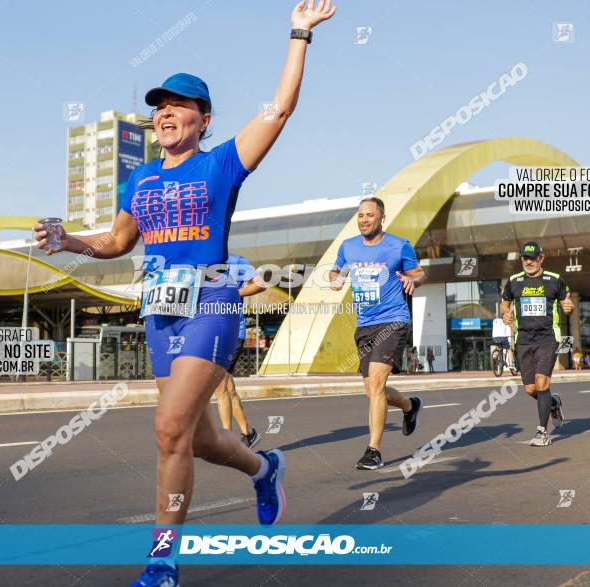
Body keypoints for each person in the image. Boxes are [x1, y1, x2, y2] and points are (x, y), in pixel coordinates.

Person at [36, 3, 337, 584]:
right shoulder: (140, 178)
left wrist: (298, 35)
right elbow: (120, 241)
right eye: (158, 107)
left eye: (178, 105)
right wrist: (70, 238)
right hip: (160, 313)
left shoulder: (223, 163)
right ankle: (264, 468)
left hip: (213, 301)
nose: (165, 113)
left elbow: (279, 109)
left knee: (168, 427)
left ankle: (163, 559)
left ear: (202, 119)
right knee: (196, 439)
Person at [330, 197, 426, 470]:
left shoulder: (398, 246)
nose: (364, 220)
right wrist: (335, 279)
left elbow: (420, 273)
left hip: (394, 320)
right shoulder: (348, 247)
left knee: (376, 385)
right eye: (360, 215)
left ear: (382, 217)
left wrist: (412, 279)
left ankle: (373, 450)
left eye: (369, 215)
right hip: (365, 324)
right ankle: (409, 406)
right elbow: (336, 270)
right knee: (372, 390)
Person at [500, 241, 573, 447]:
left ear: (541, 258)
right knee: (531, 389)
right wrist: (505, 314)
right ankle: (553, 403)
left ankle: (542, 433)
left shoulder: (555, 280)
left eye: (533, 258)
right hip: (523, 339)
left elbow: (568, 303)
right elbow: (504, 304)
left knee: (542, 383)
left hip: (548, 338)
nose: (529, 261)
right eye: (525, 258)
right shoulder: (514, 281)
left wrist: (568, 307)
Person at [214, 252, 264, 449]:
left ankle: (227, 440)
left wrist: (235, 294)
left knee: (220, 385)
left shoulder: (236, 261)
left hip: (232, 330)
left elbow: (259, 283)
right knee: (227, 388)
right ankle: (248, 434)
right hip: (211, 332)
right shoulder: (201, 263)